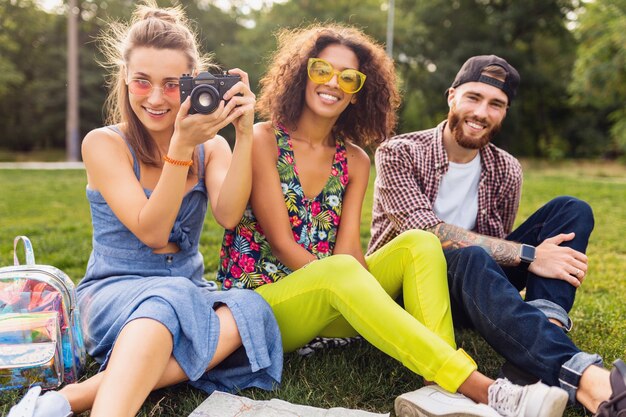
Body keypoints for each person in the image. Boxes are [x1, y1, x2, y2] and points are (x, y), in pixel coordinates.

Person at [217, 25, 568, 417]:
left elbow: (350, 247)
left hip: (335, 293)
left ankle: (436, 387)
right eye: (321, 70)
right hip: (265, 304)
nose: (333, 82)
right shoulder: (264, 138)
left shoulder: (355, 160)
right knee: (340, 272)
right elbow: (283, 243)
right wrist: (357, 289)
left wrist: (369, 301)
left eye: (348, 77)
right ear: (302, 75)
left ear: (356, 93)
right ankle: (482, 388)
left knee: (420, 242)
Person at [8, 3, 282, 417]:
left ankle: (62, 402)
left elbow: (228, 215)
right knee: (166, 303)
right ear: (124, 79)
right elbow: (152, 233)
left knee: (251, 309)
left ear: (193, 83)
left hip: (187, 288)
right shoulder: (104, 143)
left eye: (171, 84)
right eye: (142, 82)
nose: (155, 98)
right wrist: (180, 148)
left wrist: (243, 134)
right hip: (112, 291)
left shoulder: (212, 147)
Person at [369, 54, 626, 416]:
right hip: (409, 292)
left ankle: (542, 335)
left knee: (572, 209)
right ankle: (582, 375)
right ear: (451, 97)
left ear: (504, 112)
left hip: (471, 286)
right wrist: (533, 256)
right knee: (469, 254)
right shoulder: (399, 152)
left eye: (496, 104)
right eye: (473, 97)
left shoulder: (506, 168)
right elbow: (425, 229)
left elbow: (498, 245)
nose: (481, 113)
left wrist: (525, 255)